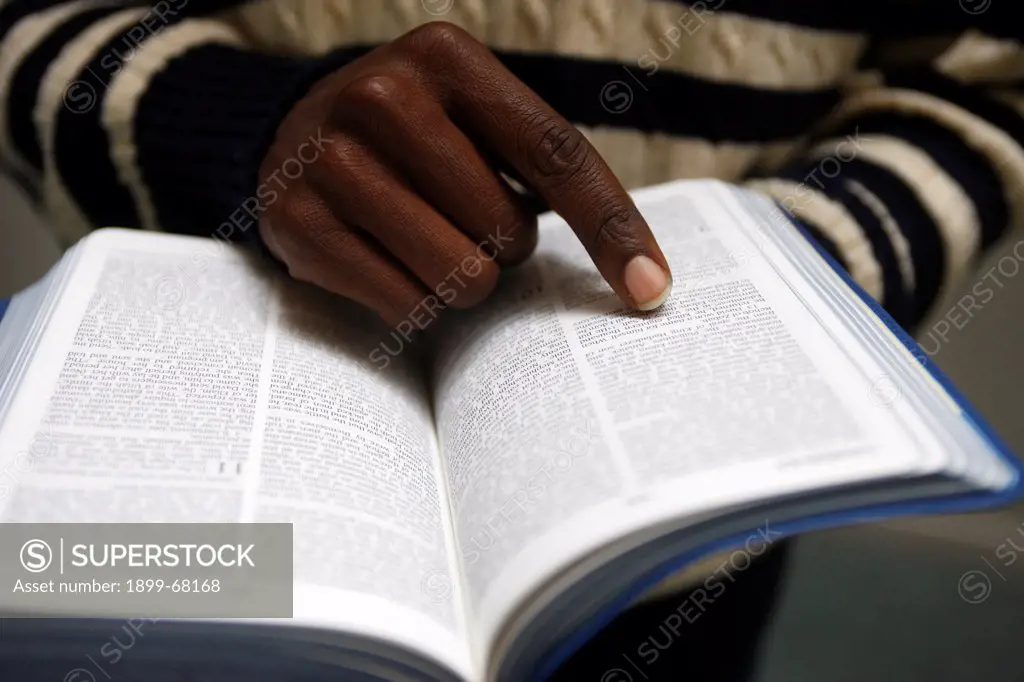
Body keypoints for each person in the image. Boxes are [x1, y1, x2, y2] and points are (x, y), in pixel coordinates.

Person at [1, 1, 1020, 679]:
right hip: (222, 479)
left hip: (677, 539)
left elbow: (982, 77)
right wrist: (235, 125)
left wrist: (779, 276)